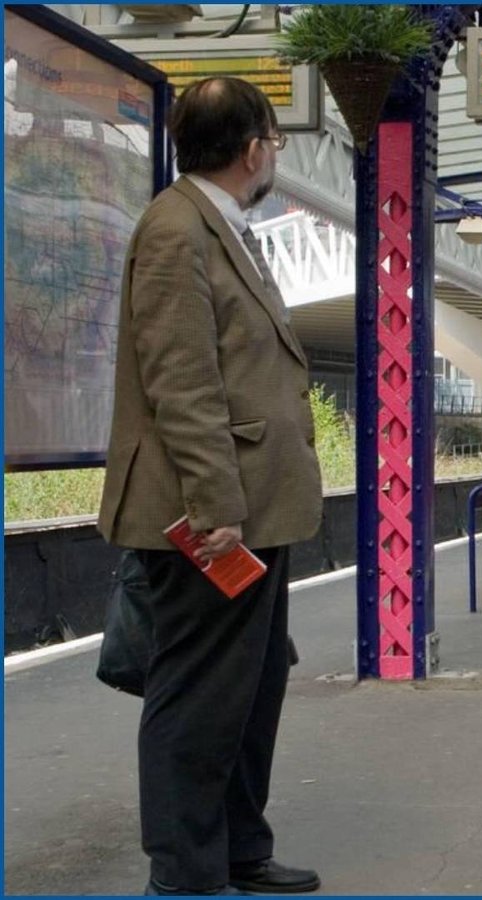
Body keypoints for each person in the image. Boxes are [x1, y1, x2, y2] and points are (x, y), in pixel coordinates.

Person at [95, 77, 322, 895]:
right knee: (198, 699)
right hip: (209, 516)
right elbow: (180, 381)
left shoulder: (221, 227)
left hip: (256, 508)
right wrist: (216, 504)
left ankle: (238, 849)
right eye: (276, 144)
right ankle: (187, 876)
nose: (274, 158)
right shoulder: (175, 230)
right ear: (255, 148)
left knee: (252, 688)